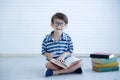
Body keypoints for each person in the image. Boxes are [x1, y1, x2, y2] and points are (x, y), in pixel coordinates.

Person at [41, 12, 83, 77]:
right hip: (54, 62)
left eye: (62, 24)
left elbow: (70, 50)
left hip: (66, 60)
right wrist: (48, 55)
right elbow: (43, 51)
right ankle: (73, 69)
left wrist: (64, 55)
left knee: (81, 62)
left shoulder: (68, 37)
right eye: (56, 23)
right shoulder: (46, 39)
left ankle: (54, 73)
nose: (59, 26)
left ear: (65, 25)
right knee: (47, 65)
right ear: (52, 25)